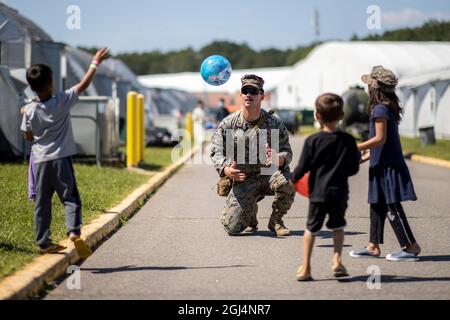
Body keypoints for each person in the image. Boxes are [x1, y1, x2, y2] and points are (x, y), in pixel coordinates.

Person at [21, 48, 110, 256]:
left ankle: (43, 242)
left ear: (31, 87)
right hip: (61, 159)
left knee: (42, 203)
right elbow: (84, 85)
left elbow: (27, 136)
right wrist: (94, 63)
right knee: (70, 198)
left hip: (40, 162)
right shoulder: (62, 100)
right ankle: (72, 231)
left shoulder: (29, 110)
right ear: (51, 83)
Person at [349, 65, 421, 262]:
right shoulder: (384, 107)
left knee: (392, 207)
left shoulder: (380, 109)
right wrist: (364, 158)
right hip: (380, 165)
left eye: (369, 85)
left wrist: (355, 147)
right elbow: (381, 144)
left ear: (375, 88)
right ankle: (373, 247)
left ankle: (411, 247)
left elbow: (379, 139)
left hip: (388, 168)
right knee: (376, 205)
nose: (367, 89)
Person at [210, 74, 295, 237]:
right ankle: (250, 212)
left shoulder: (274, 124)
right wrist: (226, 169)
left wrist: (280, 159)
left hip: (267, 175)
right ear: (240, 95)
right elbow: (216, 151)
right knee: (232, 228)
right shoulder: (229, 124)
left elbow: (287, 151)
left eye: (254, 91)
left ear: (262, 95)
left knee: (288, 183)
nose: (249, 94)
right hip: (244, 177)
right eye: (245, 90)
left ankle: (276, 221)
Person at [292, 93, 360, 281]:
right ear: (342, 115)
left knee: (311, 229)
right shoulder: (348, 140)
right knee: (338, 227)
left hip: (319, 194)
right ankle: (337, 261)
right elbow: (353, 169)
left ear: (317, 116)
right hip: (339, 193)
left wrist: (292, 180)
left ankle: (306, 267)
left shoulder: (312, 141)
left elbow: (302, 167)